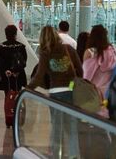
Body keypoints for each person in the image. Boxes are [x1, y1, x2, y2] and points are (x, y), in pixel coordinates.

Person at [28, 26, 83, 158]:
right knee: (72, 126)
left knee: (56, 125)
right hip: (70, 91)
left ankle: (55, 153)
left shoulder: (46, 53)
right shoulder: (68, 49)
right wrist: (73, 83)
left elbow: (39, 75)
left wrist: (28, 88)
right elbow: (80, 70)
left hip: (55, 93)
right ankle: (74, 155)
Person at [0, 25, 27, 128]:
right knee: (17, 95)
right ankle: (16, 116)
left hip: (6, 76)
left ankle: (8, 117)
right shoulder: (21, 46)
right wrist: (16, 71)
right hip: (18, 76)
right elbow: (24, 62)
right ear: (15, 34)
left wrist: (6, 71)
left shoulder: (1, 47)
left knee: (8, 95)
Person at [83, 25, 116, 98]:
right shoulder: (113, 50)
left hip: (93, 93)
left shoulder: (90, 52)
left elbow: (86, 75)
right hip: (109, 92)